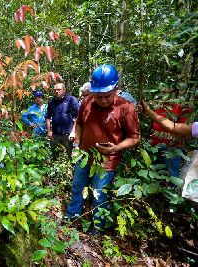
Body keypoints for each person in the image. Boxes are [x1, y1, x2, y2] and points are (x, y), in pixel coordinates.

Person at [66, 64, 140, 230]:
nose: (103, 100)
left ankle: (97, 226)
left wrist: (115, 148)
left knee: (99, 194)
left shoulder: (126, 108)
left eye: (107, 96)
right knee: (78, 186)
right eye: (98, 96)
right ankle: (72, 217)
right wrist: (77, 142)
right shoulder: (87, 102)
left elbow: (135, 138)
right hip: (84, 156)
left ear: (116, 89)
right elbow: (79, 123)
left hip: (107, 160)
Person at [45, 83, 79, 158]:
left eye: (59, 90)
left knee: (70, 156)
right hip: (55, 134)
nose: (57, 91)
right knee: (55, 155)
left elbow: (78, 116)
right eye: (55, 90)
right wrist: (49, 131)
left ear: (64, 90)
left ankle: (71, 168)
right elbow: (47, 117)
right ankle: (55, 169)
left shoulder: (71, 100)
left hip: (68, 134)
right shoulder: (52, 102)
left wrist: (73, 132)